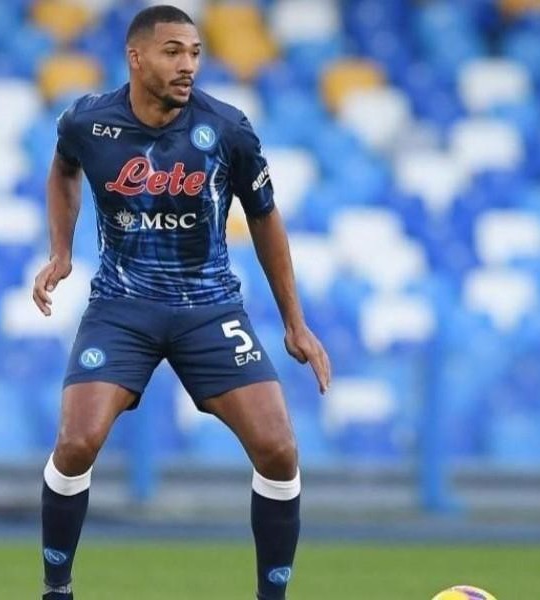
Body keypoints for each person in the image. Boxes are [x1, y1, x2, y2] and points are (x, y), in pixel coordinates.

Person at [31, 5, 331, 599]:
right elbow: (63, 169)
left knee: (278, 449)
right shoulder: (89, 123)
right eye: (173, 51)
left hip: (210, 308)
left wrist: (295, 323)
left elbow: (265, 217)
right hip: (121, 307)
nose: (188, 64)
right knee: (76, 443)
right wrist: (61, 253)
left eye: (194, 52)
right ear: (136, 57)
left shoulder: (227, 129)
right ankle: (56, 591)